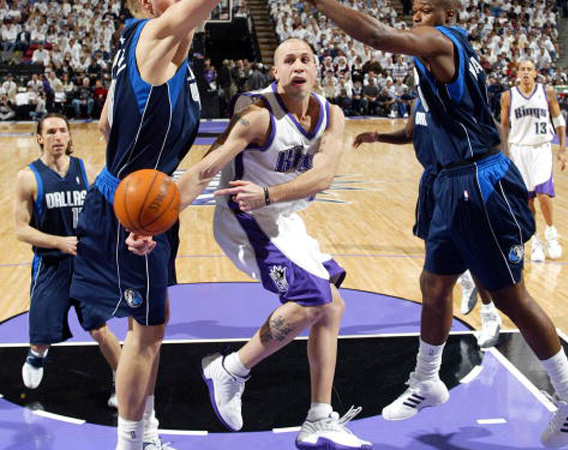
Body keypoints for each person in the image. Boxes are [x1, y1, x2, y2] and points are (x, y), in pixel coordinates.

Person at [310, 0, 568, 446]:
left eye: (428, 9)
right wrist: (382, 135)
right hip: (447, 185)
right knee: (433, 286)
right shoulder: (429, 64)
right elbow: (420, 124)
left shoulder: (443, 42)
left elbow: (376, 36)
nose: (418, 14)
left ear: (448, 17)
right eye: (415, 8)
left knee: (512, 297)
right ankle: (427, 380)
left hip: (479, 183)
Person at [174, 38, 372, 450]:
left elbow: (322, 178)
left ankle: (319, 418)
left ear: (317, 70)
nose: (298, 65)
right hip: (244, 219)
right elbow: (208, 165)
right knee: (315, 300)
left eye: (306, 59)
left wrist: (270, 197)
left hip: (279, 214)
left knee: (332, 304)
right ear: (275, 74)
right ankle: (231, 370)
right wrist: (157, 220)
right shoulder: (257, 117)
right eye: (289, 60)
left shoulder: (331, 115)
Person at [68, 0, 218, 448]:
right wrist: (131, 200)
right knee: (146, 330)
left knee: (153, 322)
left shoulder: (159, 48)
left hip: (143, 199)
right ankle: (132, 442)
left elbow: (104, 124)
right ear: (151, 4)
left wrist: (139, 180)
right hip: (131, 211)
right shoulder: (152, 35)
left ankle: (144, 432)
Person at [354, 102, 503, 349]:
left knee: (471, 251)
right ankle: (463, 280)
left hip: (458, 182)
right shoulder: (419, 100)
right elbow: (409, 135)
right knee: (432, 252)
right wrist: (379, 137)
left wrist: (494, 178)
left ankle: (490, 315)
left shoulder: (458, 96)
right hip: (431, 181)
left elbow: (496, 134)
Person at [14, 114, 121, 408]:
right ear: (40, 138)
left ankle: (122, 381)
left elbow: (105, 208)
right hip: (51, 265)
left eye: (63, 131)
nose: (58, 136)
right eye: (51, 132)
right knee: (41, 335)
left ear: (69, 137)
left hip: (86, 265)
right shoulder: (28, 177)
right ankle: (37, 355)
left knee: (99, 328)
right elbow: (21, 229)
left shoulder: (84, 170)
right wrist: (58, 241)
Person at [500, 60, 567, 262]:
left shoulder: (547, 92)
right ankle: (535, 238)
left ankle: (551, 233)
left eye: (530, 69)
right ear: (517, 73)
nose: (526, 72)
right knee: (527, 199)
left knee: (543, 195)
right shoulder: (508, 96)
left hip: (541, 148)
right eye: (523, 69)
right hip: (519, 150)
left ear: (536, 73)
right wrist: (504, 152)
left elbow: (558, 120)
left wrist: (562, 149)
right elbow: (504, 126)